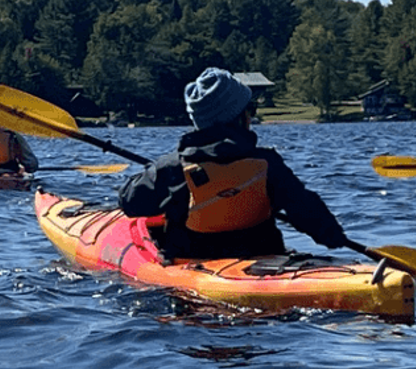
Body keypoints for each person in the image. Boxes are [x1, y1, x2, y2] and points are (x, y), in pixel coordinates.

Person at [118, 67, 352, 260]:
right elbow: (307, 210)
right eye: (250, 110)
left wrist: (154, 175)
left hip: (193, 264)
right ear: (240, 118)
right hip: (259, 258)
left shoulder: (171, 169)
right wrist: (332, 235)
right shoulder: (268, 163)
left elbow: (130, 203)